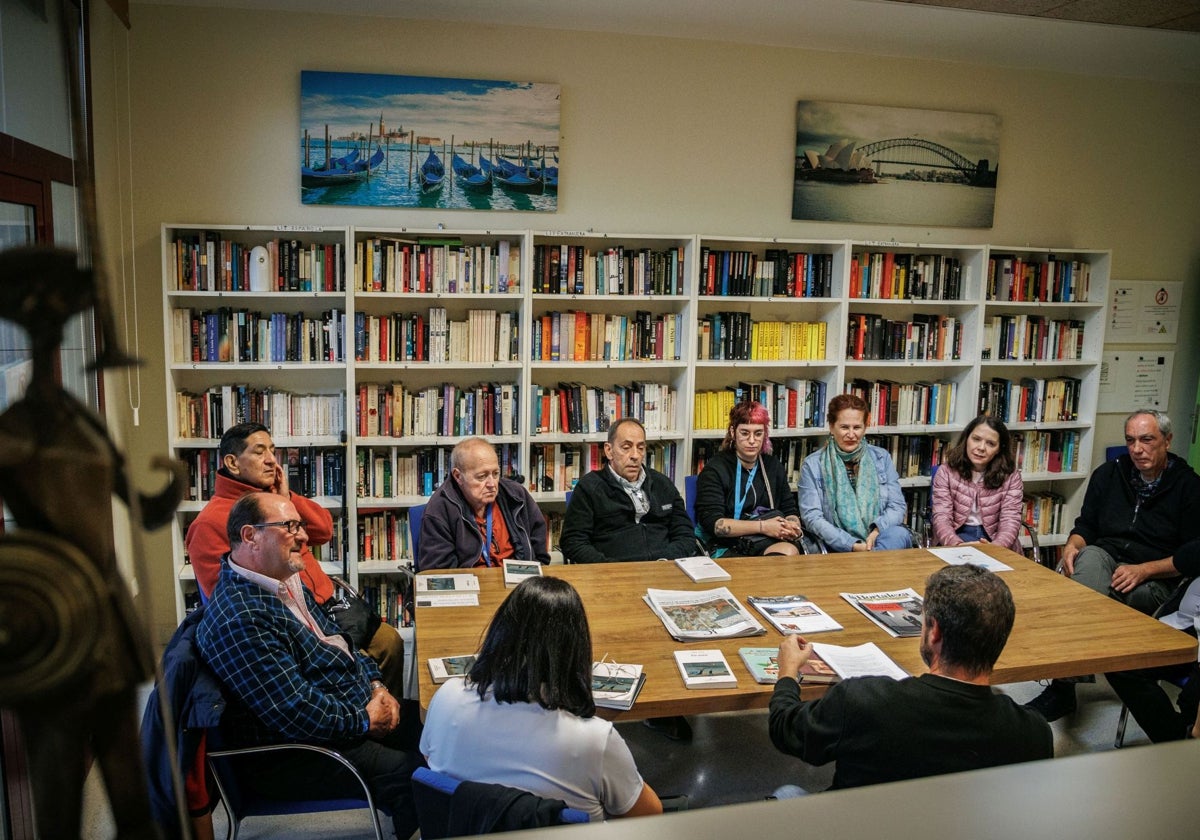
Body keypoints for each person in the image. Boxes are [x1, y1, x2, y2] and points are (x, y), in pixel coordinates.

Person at [195, 493, 422, 840]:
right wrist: (364, 719)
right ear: (250, 536)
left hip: (344, 715)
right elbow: (294, 711)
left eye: (300, 525)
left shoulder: (283, 581)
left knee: (438, 728)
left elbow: (340, 642)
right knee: (418, 775)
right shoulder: (240, 618)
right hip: (298, 753)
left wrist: (378, 687)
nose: (303, 537)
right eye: (290, 527)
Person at [768, 564, 1052, 790]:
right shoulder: (1034, 733)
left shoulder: (863, 701)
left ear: (935, 631)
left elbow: (785, 729)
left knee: (788, 794)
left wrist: (788, 673)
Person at [185, 422, 406, 694]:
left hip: (328, 607)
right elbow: (226, 600)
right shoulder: (209, 523)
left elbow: (324, 530)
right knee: (360, 664)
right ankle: (366, 716)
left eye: (272, 450)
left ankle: (384, 714)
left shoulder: (275, 500)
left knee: (391, 641)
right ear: (232, 462)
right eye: (259, 452)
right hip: (292, 621)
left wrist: (285, 496)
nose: (270, 460)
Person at [420, 576, 662, 821]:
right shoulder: (595, 740)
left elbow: (431, 761)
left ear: (500, 634)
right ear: (575, 650)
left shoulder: (445, 698)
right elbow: (649, 814)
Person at [1026, 409, 1200, 721]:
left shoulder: (1190, 487)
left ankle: (1062, 689)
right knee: (1087, 565)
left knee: (1088, 600)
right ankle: (1067, 684)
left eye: (1147, 440)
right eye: (1131, 440)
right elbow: (1086, 525)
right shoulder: (1109, 474)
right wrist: (1073, 544)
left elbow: (1193, 554)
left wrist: (1144, 569)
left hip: (1158, 577)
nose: (1137, 449)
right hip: (1106, 557)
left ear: (1167, 441)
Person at [560, 417, 696, 564]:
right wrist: (609, 568)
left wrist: (665, 561)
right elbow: (573, 542)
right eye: (626, 447)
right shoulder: (590, 488)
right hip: (613, 573)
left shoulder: (662, 483)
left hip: (664, 568)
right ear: (609, 451)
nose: (635, 456)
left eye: (641, 448)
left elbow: (685, 534)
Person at [1105, 538, 1200, 742]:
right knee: (1117, 660)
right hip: (1178, 627)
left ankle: (1182, 744)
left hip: (1196, 650)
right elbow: (1184, 559)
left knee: (1191, 702)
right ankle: (1175, 741)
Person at [798, 393, 911, 552]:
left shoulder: (881, 457)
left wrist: (876, 530)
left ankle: (870, 566)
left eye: (857, 427)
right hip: (836, 543)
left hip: (878, 538)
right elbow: (812, 517)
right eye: (844, 427)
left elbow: (897, 506)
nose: (851, 434)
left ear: (865, 427)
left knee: (898, 534)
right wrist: (851, 544)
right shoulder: (813, 464)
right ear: (831, 427)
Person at [418, 436, 550, 570]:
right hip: (471, 585)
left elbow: (540, 556)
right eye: (482, 476)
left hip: (519, 583)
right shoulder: (440, 508)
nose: (492, 484)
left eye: (496, 473)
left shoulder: (516, 495)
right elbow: (440, 573)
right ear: (458, 476)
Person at [695, 400, 802, 556]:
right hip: (725, 545)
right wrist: (764, 526)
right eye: (745, 433)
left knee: (788, 553)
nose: (752, 441)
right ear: (733, 432)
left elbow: (790, 509)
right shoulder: (715, 470)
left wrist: (792, 525)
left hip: (765, 540)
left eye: (758, 433)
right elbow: (716, 525)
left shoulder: (773, 466)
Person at [931, 414, 1024, 553]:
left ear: (999, 448)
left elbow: (1010, 520)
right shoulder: (946, 471)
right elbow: (941, 517)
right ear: (966, 439)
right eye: (976, 439)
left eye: (990, 443)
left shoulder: (1011, 476)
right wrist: (956, 544)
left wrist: (996, 548)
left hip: (995, 539)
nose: (981, 448)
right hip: (956, 535)